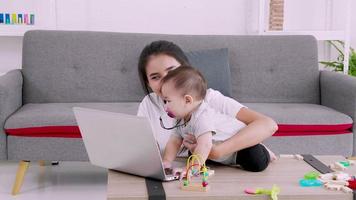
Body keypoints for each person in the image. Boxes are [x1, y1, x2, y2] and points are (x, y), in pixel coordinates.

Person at [137, 40, 278, 172]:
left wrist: (218, 152)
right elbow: (160, 145)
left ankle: (261, 150)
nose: (165, 80)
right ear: (147, 82)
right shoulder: (149, 104)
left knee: (254, 159)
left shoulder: (208, 101)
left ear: (186, 69)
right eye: (155, 77)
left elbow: (269, 124)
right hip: (199, 164)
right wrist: (166, 163)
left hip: (224, 157)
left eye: (171, 71)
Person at [161, 66, 252, 169]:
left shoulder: (202, 116)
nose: (165, 106)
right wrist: (167, 161)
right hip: (215, 152)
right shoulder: (179, 118)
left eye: (168, 101)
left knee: (256, 161)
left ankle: (264, 150)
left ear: (187, 100)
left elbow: (204, 145)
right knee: (194, 154)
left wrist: (192, 170)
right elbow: (174, 141)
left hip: (239, 148)